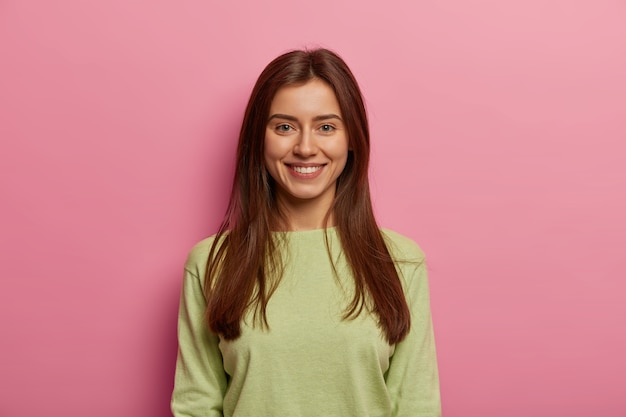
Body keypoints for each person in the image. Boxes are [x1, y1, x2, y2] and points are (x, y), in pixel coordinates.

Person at [171, 48, 441, 417]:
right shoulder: (210, 263)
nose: (305, 147)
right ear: (259, 138)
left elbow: (416, 407)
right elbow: (195, 406)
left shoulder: (401, 261)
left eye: (326, 126)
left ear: (351, 138)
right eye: (284, 126)